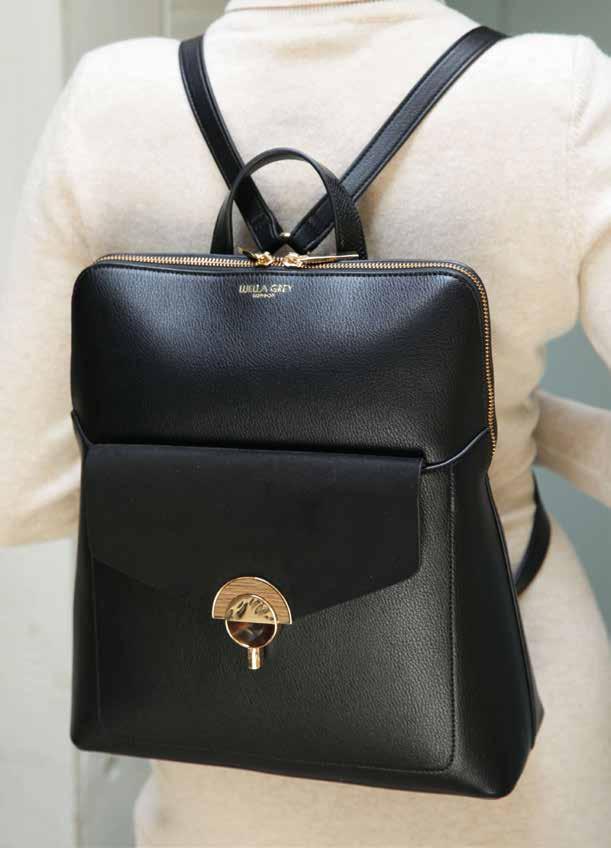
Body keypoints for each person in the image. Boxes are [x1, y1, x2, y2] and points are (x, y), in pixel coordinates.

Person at [1, 0, 610, 845]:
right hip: (508, 724)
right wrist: (521, 428)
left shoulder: (109, 98)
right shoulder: (557, 91)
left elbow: (19, 492)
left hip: (215, 717)